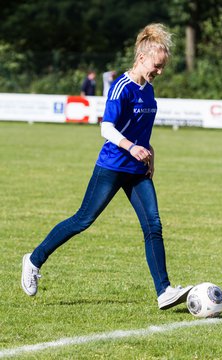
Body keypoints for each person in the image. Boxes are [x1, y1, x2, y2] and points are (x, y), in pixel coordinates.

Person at [21, 23, 192, 310]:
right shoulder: (121, 87)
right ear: (141, 58)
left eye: (162, 67)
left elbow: (142, 133)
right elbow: (107, 128)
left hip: (138, 171)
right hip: (112, 165)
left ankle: (164, 291)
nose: (160, 72)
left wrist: (150, 153)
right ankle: (34, 259)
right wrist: (132, 147)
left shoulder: (148, 91)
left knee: (153, 226)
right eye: (157, 66)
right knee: (82, 220)